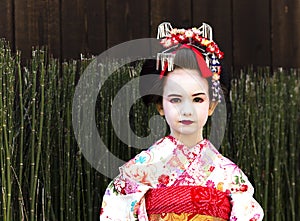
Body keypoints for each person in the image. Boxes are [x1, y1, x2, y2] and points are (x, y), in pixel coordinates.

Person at [100, 22, 264, 221]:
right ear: (161, 106)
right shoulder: (138, 172)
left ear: (211, 106)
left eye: (198, 99)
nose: (187, 110)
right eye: (175, 100)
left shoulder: (229, 176)